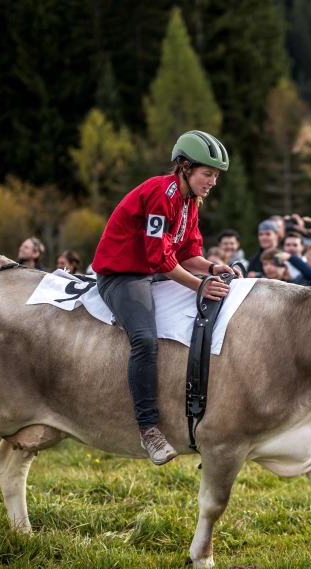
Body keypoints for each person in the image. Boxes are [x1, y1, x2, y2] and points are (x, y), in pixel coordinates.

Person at [91, 130, 236, 465]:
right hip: (122, 275)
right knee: (144, 339)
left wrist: (212, 267)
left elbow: (186, 253)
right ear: (184, 167)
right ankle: (148, 430)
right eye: (207, 174)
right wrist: (200, 285)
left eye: (216, 176)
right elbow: (160, 259)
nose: (213, 182)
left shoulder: (190, 201)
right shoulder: (161, 193)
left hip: (153, 271)